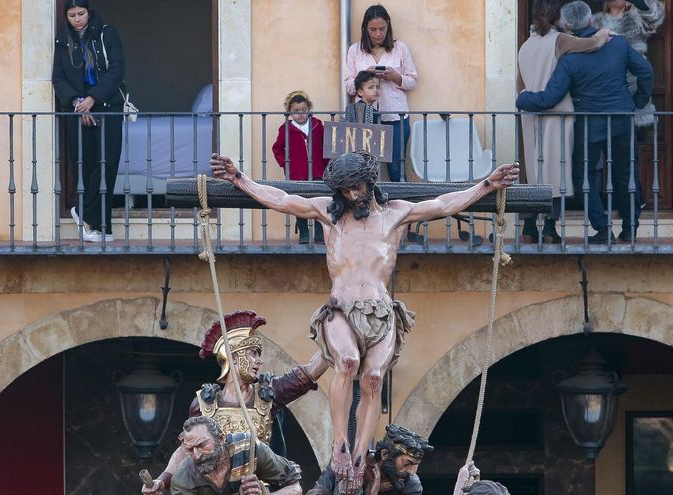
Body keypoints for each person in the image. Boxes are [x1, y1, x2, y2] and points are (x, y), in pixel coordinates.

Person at [209, 151, 519, 492]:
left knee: (373, 378)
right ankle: (339, 444)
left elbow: (443, 204)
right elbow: (282, 199)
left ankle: (359, 454)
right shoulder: (328, 214)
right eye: (345, 190)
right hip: (341, 308)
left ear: (370, 183)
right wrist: (239, 178)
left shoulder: (395, 214)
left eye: (356, 187)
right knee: (347, 361)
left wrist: (487, 185)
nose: (352, 195)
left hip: (381, 311)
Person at [142, 310, 327, 494]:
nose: (259, 361)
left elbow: (310, 372)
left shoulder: (268, 394)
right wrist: (163, 480)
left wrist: (333, 339)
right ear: (234, 358)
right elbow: (186, 450)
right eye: (253, 354)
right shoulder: (204, 404)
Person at [517, 1, 653, 244]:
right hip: (622, 119)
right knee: (626, 174)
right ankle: (630, 229)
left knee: (584, 178)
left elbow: (550, 98)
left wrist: (523, 98)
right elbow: (645, 71)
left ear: (567, 25)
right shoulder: (618, 43)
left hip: (589, 123)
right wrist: (637, 102)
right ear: (591, 20)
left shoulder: (569, 58)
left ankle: (603, 229)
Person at [517, 0, 612, 243]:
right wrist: (603, 33)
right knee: (557, 173)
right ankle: (549, 228)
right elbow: (590, 44)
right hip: (557, 115)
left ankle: (529, 226)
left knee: (536, 172)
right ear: (555, 16)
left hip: (530, 116)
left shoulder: (525, 46)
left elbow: (521, 86)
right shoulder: (558, 40)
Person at [52, 0, 125, 243]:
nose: (77, 19)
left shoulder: (107, 34)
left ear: (89, 12)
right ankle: (98, 226)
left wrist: (93, 99)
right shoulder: (63, 40)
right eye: (72, 15)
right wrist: (78, 103)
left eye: (81, 13)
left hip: (108, 107)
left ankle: (89, 217)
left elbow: (116, 71)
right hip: (78, 109)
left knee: (108, 163)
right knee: (86, 164)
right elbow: (58, 78)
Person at [343, 4, 417, 182]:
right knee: (364, 169)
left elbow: (413, 81)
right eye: (373, 29)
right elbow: (349, 87)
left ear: (388, 26)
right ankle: (367, 200)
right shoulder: (355, 50)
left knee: (397, 170)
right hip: (364, 118)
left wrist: (396, 77)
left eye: (382, 29)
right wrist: (365, 76)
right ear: (365, 29)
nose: (378, 34)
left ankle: (401, 200)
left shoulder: (400, 48)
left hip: (396, 117)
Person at [169, 416, 302, 495]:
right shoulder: (184, 478)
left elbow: (295, 488)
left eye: (201, 445)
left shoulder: (250, 450)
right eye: (190, 449)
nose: (196, 456)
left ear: (220, 439)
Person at [594, 0, 665, 131]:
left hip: (632, 84)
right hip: (603, 85)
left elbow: (655, 15)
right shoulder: (596, 21)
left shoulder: (636, 18)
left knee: (629, 136)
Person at [307, 424, 433, 495]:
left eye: (414, 465)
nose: (411, 471)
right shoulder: (346, 463)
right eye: (407, 463)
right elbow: (317, 492)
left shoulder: (411, 484)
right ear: (384, 454)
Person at [273, 91, 329, 244]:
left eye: (304, 110)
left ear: (309, 109)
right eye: (296, 111)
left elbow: (327, 146)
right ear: (290, 112)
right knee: (299, 203)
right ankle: (303, 232)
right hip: (297, 173)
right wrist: (286, 164)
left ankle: (319, 232)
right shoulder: (285, 129)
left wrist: (327, 164)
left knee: (318, 201)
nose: (300, 114)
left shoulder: (318, 126)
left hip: (318, 171)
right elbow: (277, 149)